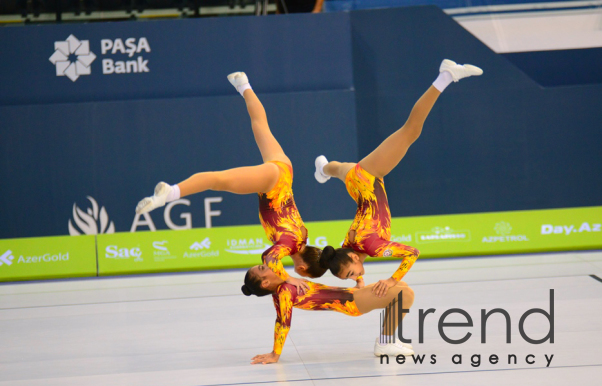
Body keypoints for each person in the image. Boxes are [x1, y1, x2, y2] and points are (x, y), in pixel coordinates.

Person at [135, 72, 324, 292]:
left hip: (284, 172)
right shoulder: (291, 245)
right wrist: (288, 279)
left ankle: (243, 85)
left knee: (260, 124)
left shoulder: (302, 237)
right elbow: (268, 257)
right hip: (273, 184)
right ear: (302, 269)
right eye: (301, 272)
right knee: (217, 180)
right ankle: (169, 194)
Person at [313, 59, 483, 296]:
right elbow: (350, 260)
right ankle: (323, 170)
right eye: (351, 278)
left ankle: (445, 75)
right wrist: (359, 283)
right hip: (357, 186)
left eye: (352, 274)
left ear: (353, 258)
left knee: (411, 130)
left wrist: (392, 280)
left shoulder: (373, 248)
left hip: (368, 177)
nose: (356, 276)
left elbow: (412, 253)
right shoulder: (347, 247)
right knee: (340, 169)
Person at [243, 263, 416, 363]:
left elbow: (326, 292)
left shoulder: (287, 284)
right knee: (406, 295)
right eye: (262, 268)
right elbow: (283, 322)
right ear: (265, 283)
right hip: (352, 302)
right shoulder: (285, 291)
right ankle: (385, 343)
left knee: (402, 287)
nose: (268, 264)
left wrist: (357, 282)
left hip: (352, 294)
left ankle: (387, 340)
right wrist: (275, 354)